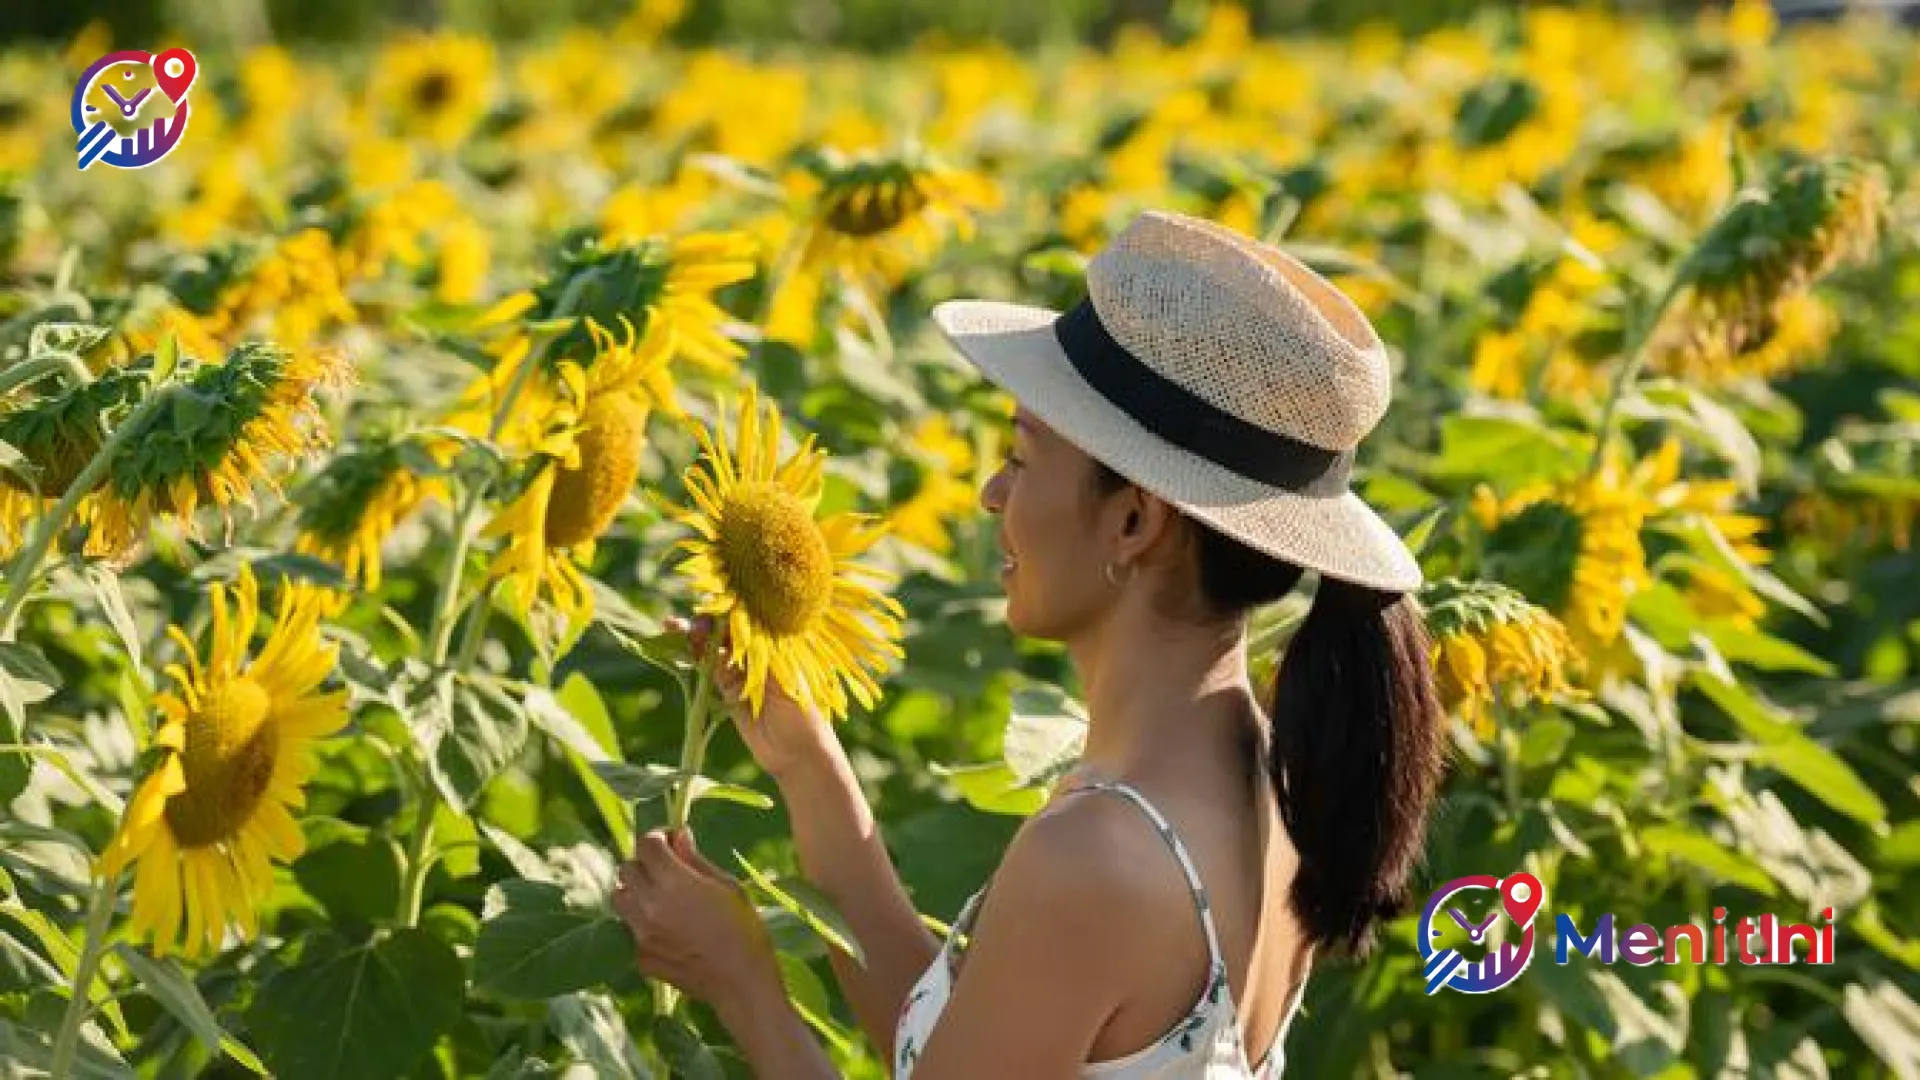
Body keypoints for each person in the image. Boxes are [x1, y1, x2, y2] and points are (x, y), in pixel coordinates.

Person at [611, 209, 1449, 1078]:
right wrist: (807, 765)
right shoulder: (1265, 780)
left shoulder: (1098, 856)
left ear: (1132, 521)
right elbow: (961, 1047)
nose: (990, 492)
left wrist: (742, 983)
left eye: (1021, 455)